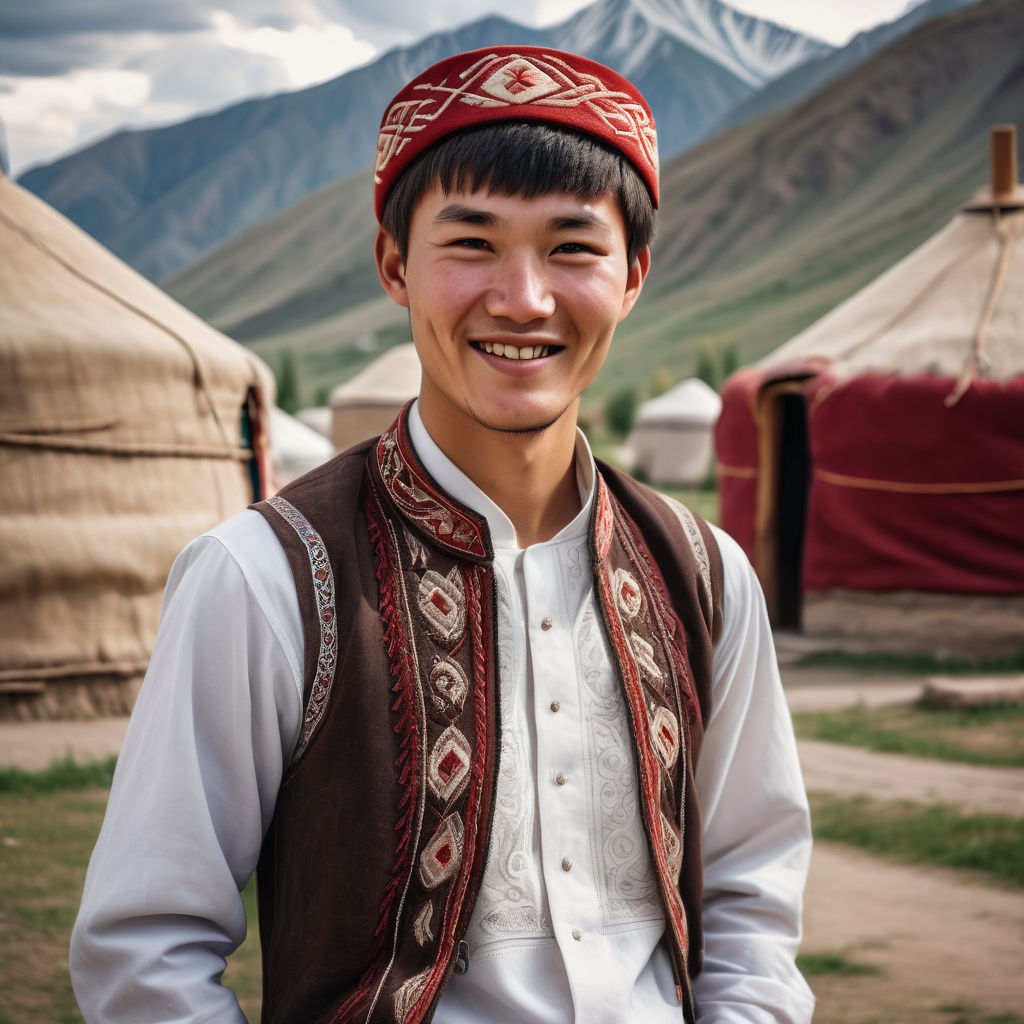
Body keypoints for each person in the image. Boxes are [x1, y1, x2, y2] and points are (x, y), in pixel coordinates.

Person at [71, 46, 814, 1024]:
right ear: (393, 266)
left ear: (632, 275)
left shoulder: (705, 575)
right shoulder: (264, 579)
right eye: (471, 243)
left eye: (571, 247)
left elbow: (752, 898)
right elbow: (143, 953)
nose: (523, 299)